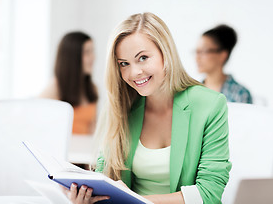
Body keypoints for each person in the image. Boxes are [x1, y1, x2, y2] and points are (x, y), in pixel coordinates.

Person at [67, 13, 231, 204]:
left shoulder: (210, 105)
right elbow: (107, 181)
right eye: (124, 64)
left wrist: (133, 200)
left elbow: (209, 194)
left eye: (143, 58)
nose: (134, 72)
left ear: (165, 53)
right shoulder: (120, 106)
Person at [40, 31, 98, 135]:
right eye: (87, 52)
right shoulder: (54, 88)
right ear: (73, 56)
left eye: (92, 51)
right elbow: (38, 124)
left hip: (83, 150)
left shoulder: (92, 88)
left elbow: (92, 130)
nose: (93, 57)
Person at [195, 24, 253, 104]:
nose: (197, 58)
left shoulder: (240, 94)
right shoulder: (192, 93)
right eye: (197, 52)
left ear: (222, 55)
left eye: (204, 51)